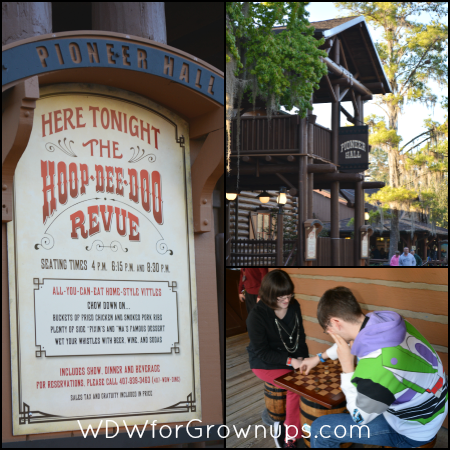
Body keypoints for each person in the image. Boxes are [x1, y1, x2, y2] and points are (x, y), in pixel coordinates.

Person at [299, 287, 447, 448]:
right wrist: (317, 358)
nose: (331, 335)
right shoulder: (383, 323)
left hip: (412, 430)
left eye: (329, 331)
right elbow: (350, 341)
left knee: (321, 429)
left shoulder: (378, 366)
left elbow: (359, 417)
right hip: (434, 407)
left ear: (336, 322)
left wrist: (348, 367)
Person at [246, 270, 308, 448]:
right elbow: (262, 352)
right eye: (281, 298)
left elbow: (300, 337)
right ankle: (290, 436)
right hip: (264, 363)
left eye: (289, 295)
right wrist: (292, 362)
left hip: (291, 357)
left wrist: (301, 358)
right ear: (268, 295)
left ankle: (299, 422)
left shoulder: (294, 305)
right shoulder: (256, 317)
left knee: (307, 378)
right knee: (295, 386)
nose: (286, 301)